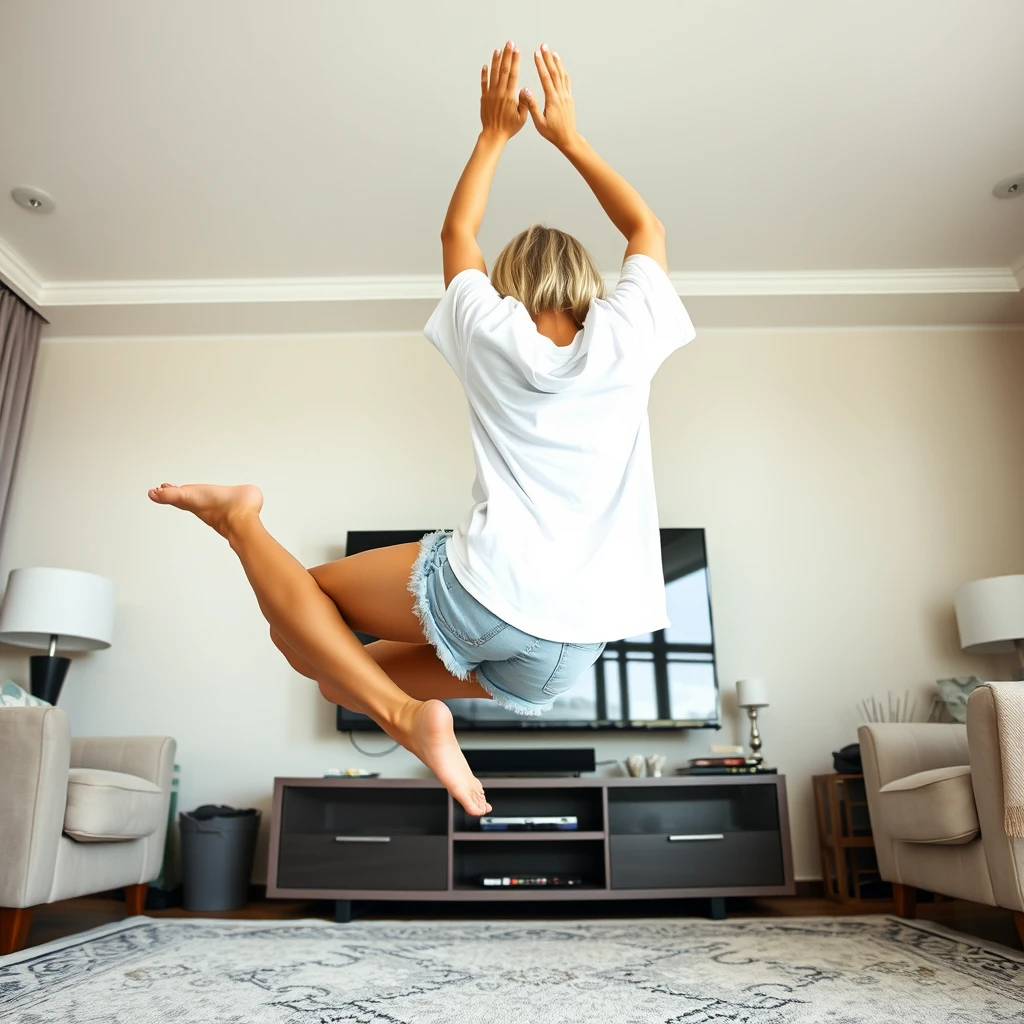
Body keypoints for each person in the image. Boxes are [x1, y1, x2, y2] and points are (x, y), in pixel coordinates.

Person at [149, 40, 695, 818]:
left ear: (508, 284)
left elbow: (457, 238)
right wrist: (568, 137)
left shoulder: (491, 331)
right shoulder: (629, 331)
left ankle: (241, 522)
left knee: (307, 607)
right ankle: (403, 712)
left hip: (495, 589)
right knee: (333, 668)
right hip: (571, 653)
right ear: (588, 281)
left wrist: (492, 135)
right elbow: (644, 223)